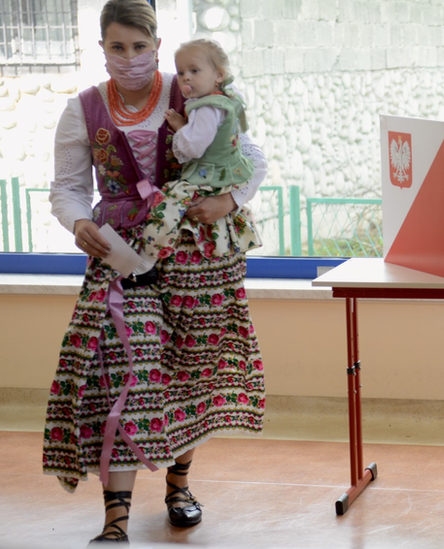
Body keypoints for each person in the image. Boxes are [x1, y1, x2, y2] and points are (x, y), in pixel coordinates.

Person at [42, 0, 267, 544]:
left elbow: (248, 151)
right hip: (122, 254)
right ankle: (115, 517)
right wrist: (76, 222)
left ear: (157, 47)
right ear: (102, 49)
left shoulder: (192, 86)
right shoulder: (84, 109)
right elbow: (67, 187)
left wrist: (231, 201)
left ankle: (179, 486)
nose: (130, 57)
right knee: (120, 367)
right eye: (117, 47)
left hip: (195, 247)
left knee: (190, 368)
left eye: (139, 46)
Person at [130, 38, 261, 279]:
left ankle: (144, 261)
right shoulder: (225, 100)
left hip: (207, 175)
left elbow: (193, 147)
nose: (186, 78)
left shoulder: (206, 108)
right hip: (228, 172)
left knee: (166, 207)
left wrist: (180, 129)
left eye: (194, 71)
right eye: (181, 73)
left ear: (218, 74)